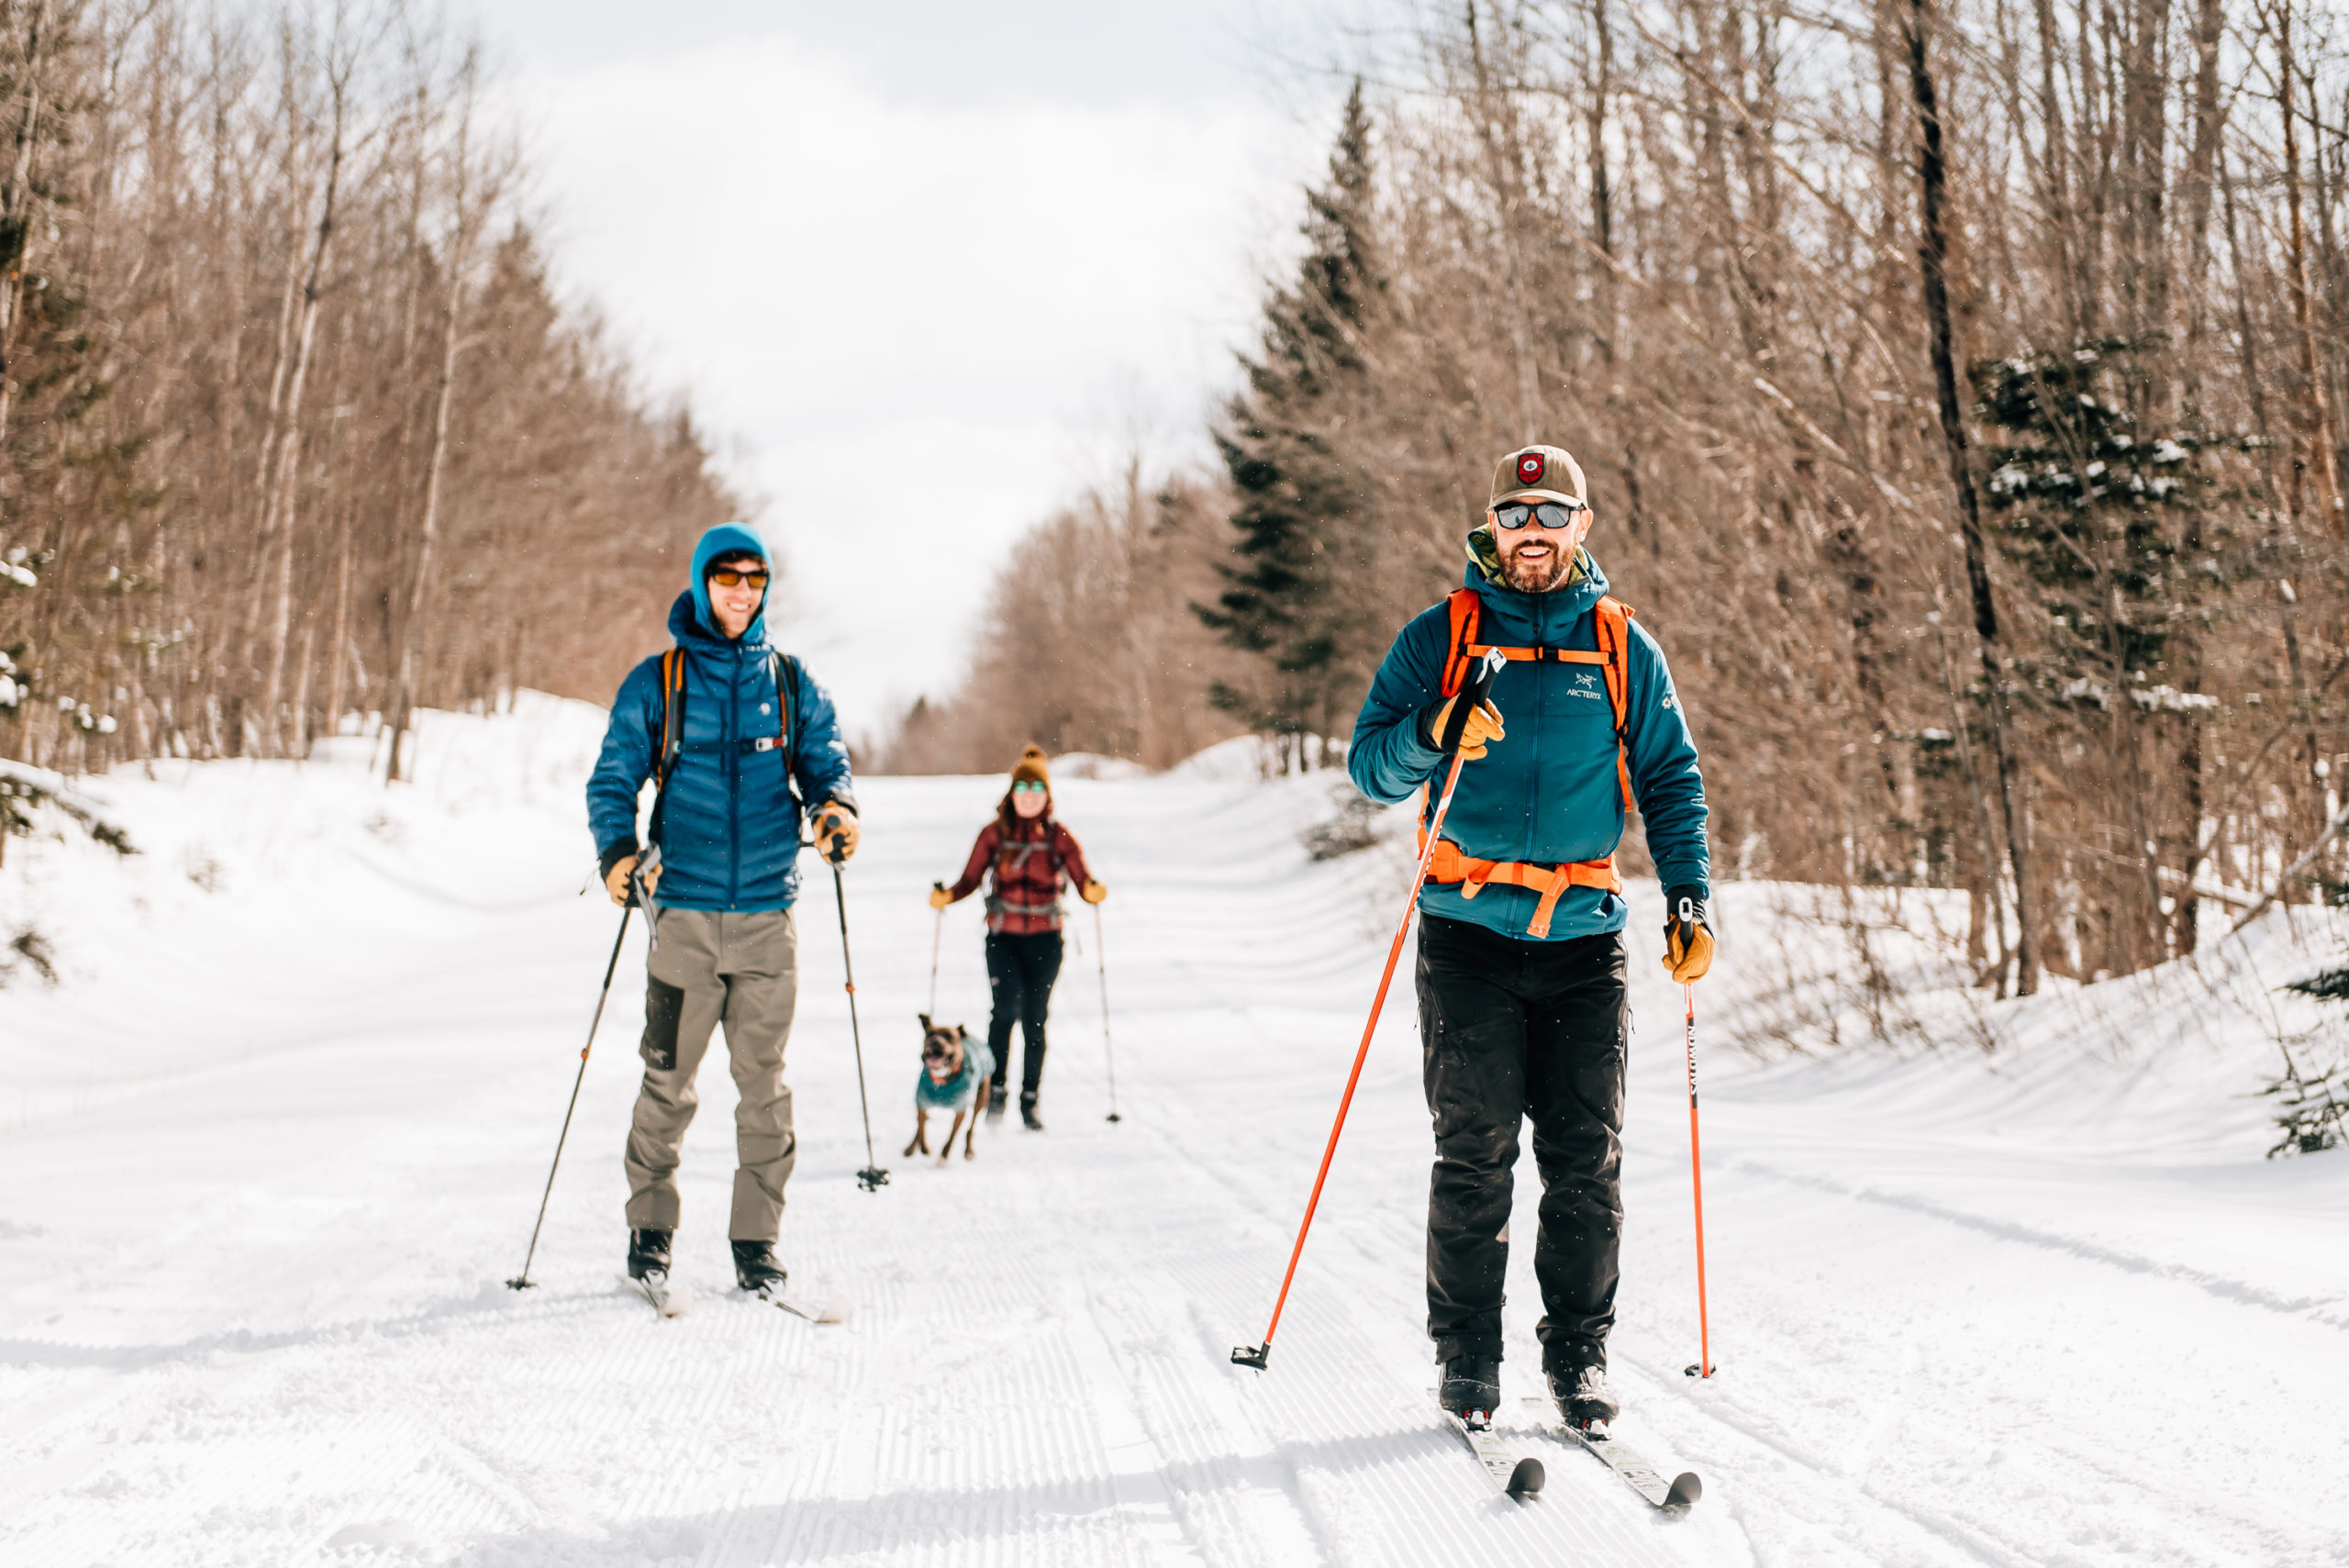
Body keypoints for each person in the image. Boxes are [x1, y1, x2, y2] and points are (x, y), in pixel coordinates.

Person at [1347, 444, 1715, 1429]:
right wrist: (1435, 729)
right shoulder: (1442, 636)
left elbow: (1672, 780)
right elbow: (1369, 766)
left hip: (1584, 940)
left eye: (1552, 513)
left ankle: (1579, 1358)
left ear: (1581, 527)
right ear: (1490, 529)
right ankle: (1466, 1357)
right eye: (1516, 515)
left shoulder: (1620, 645)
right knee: (1473, 1153)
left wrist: (1689, 898)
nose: (1534, 532)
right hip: (1464, 932)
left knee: (1584, 1156)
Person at [585, 521, 859, 1298]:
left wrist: (835, 811)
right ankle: (650, 1233)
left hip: (768, 921)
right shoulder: (659, 681)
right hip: (681, 921)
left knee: (763, 1086)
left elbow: (827, 763)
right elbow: (613, 778)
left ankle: (756, 1241)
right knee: (666, 1079)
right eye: (728, 576)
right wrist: (617, 854)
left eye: (754, 578)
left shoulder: (791, 682)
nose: (742, 591)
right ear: (704, 582)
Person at [929, 746, 1106, 1131]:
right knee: (1004, 1013)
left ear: (1047, 794)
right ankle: (994, 1095)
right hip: (1003, 938)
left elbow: (1082, 879)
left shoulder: (1059, 837)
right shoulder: (994, 835)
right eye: (1021, 785)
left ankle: (1030, 1101)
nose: (1028, 793)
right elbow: (970, 880)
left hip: (1046, 940)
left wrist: (1092, 890)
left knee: (1035, 1020)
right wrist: (947, 896)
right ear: (1011, 792)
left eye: (1036, 786)